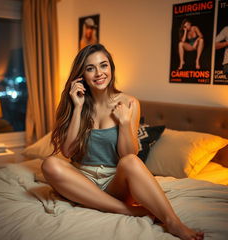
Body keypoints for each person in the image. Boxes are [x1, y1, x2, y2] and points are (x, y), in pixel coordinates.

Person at [42, 44, 204, 240]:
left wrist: (125, 122)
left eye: (104, 65)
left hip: (115, 183)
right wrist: (77, 108)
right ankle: (129, 211)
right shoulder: (78, 102)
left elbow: (128, 155)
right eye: (90, 68)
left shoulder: (129, 103)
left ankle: (173, 222)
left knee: (131, 162)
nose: (99, 73)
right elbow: (67, 152)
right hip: (82, 180)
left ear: (111, 68)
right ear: (81, 75)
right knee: (50, 163)